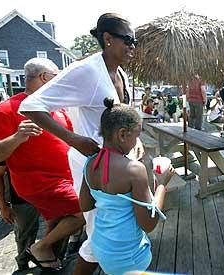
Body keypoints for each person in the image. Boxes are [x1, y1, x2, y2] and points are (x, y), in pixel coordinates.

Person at [19, 13, 139, 274]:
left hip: (117, 164)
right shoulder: (87, 71)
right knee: (99, 236)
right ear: (107, 39)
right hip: (93, 164)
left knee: (109, 230)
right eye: (128, 39)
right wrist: (74, 139)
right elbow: (30, 106)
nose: (133, 46)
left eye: (135, 41)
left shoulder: (121, 74)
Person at [0, 57, 85, 272]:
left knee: (56, 224)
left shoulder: (56, 107)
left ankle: (47, 262)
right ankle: (39, 248)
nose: (61, 82)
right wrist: (17, 137)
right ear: (45, 77)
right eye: (57, 77)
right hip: (40, 184)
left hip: (64, 181)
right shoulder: (8, 109)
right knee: (87, 209)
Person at [80, 98, 174, 274]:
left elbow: (85, 205)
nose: (137, 141)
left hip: (101, 246)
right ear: (122, 134)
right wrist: (162, 184)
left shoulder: (90, 162)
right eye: (136, 136)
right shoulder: (134, 170)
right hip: (127, 255)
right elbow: (149, 223)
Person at [0, 162, 39, 272]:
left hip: (52, 191)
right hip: (21, 198)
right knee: (25, 233)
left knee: (58, 225)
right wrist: (2, 205)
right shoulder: (6, 146)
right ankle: (23, 262)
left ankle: (53, 258)